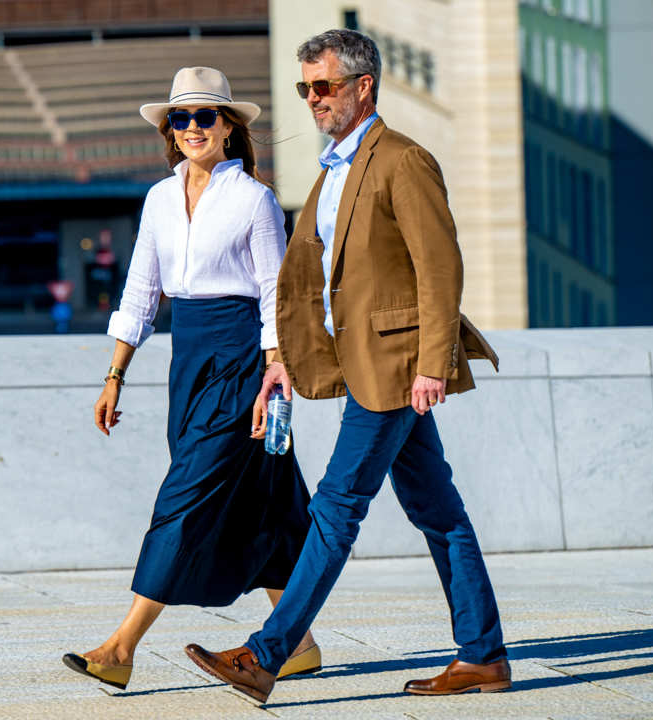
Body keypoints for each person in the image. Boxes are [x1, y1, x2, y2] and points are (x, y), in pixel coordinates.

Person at [183, 29, 509, 704]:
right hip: (363, 362)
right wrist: (285, 360)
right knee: (437, 509)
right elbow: (316, 279)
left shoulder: (402, 161)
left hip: (394, 366)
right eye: (306, 88)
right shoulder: (336, 166)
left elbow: (439, 268)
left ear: (364, 86)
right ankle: (483, 655)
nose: (312, 99)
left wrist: (430, 365)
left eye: (324, 86)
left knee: (336, 506)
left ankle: (266, 654)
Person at [61, 66, 319, 692]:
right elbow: (142, 290)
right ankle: (300, 642)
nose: (192, 127)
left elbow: (272, 293)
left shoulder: (253, 198)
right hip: (188, 361)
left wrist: (274, 372)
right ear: (169, 131)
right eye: (181, 118)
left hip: (240, 362)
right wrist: (115, 373)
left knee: (185, 496)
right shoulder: (157, 199)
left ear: (229, 126)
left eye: (206, 116)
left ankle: (121, 647)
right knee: (262, 504)